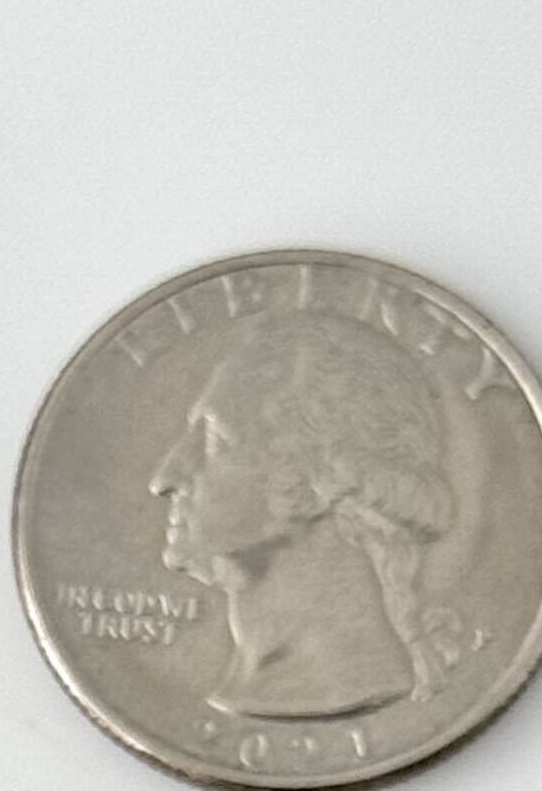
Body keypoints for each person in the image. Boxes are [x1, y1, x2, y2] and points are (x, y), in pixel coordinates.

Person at [150, 308, 456, 719]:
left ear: (319, 480)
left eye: (215, 441)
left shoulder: (351, 680)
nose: (164, 478)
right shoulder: (251, 682)